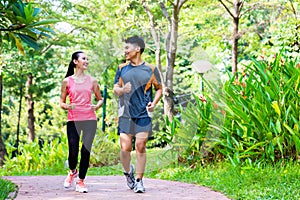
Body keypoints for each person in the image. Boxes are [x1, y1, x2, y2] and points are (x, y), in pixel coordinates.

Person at [113, 36, 162, 193]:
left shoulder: (151, 69)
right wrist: (122, 90)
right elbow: (115, 89)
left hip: (142, 114)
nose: (125, 51)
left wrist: (153, 103)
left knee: (140, 146)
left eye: (128, 48)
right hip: (125, 114)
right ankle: (128, 172)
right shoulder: (122, 68)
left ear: (137, 49)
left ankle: (139, 181)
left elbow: (159, 88)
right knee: (125, 148)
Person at [60, 51, 103, 193]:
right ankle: (73, 171)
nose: (86, 61)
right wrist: (67, 106)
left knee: (86, 150)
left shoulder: (93, 81)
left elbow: (100, 98)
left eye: (87, 59)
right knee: (73, 151)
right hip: (73, 120)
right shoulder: (67, 81)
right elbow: (61, 102)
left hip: (90, 119)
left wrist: (96, 106)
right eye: (83, 59)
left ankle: (81, 181)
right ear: (75, 61)